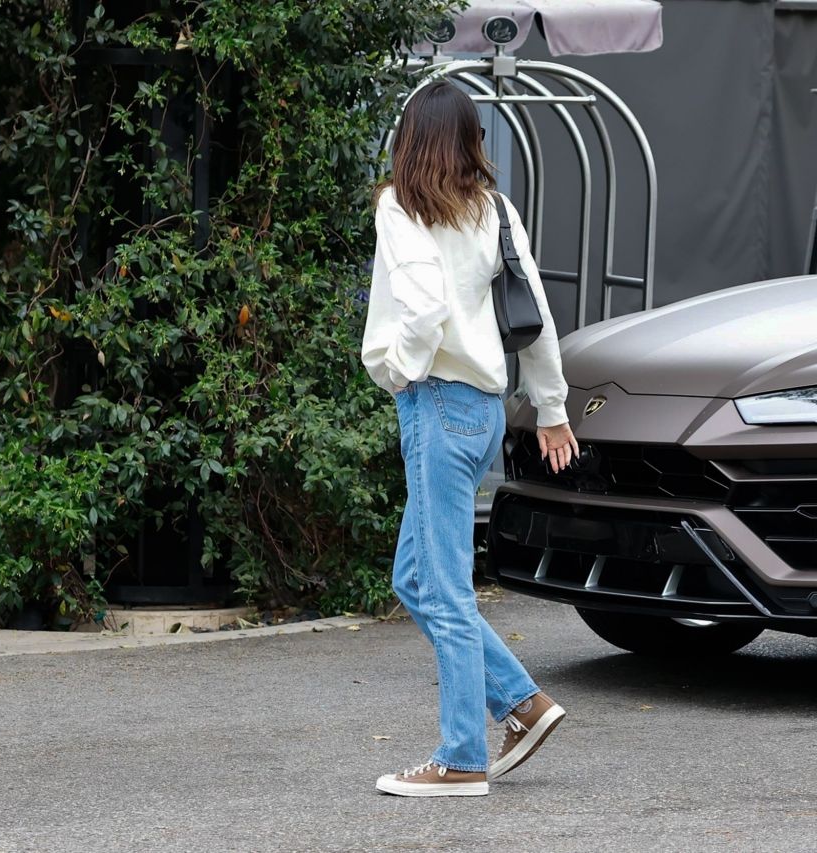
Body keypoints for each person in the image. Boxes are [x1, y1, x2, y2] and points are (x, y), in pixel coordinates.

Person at [362, 80, 579, 798]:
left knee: (445, 589)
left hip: (436, 402)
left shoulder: (399, 205)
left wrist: (400, 370)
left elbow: (423, 307)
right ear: (469, 140)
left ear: (409, 138)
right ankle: (523, 703)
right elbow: (535, 312)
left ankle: (461, 757)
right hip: (484, 410)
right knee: (414, 578)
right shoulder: (495, 209)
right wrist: (551, 408)